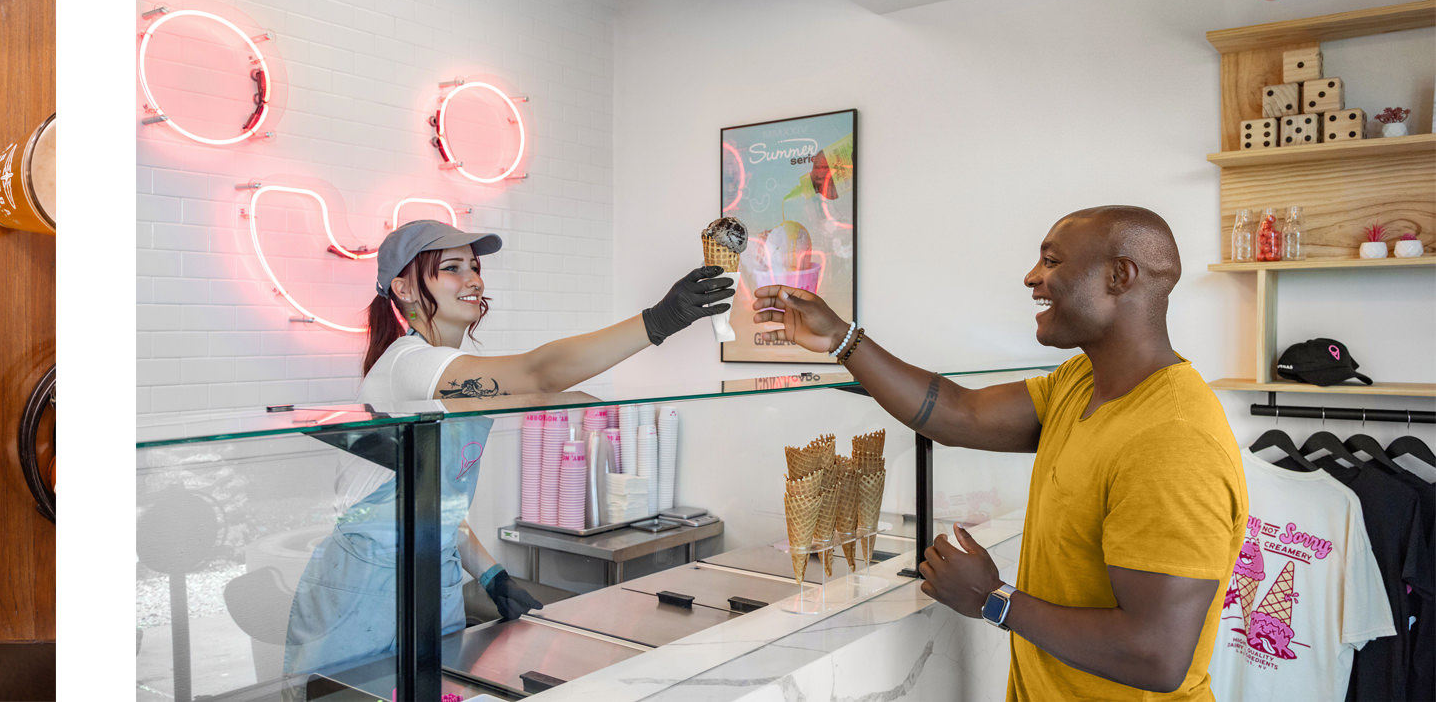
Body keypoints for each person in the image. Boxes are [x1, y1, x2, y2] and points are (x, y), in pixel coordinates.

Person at [752, 205, 1247, 701]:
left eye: (1051, 261)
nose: (1032, 278)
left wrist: (994, 600)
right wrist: (842, 339)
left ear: (1120, 275)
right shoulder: (1081, 382)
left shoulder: (1173, 439)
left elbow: (1156, 656)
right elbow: (957, 413)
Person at [283, 219, 732, 679]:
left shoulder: (450, 376)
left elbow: (437, 508)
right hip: (362, 592)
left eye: (474, 267)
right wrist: (659, 321)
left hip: (434, 581)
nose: (473, 279)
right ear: (405, 288)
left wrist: (491, 575)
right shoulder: (409, 365)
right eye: (452, 268)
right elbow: (540, 375)